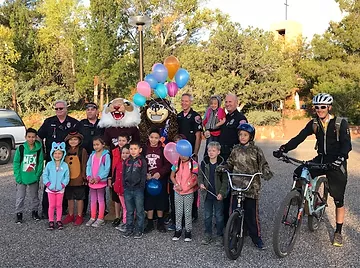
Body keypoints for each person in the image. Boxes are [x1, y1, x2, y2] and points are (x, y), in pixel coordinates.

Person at [274, 93, 352, 247]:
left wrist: (341, 158)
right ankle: (301, 197)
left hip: (336, 162)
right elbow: (299, 137)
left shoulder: (340, 123)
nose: (320, 110)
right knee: (299, 172)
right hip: (321, 158)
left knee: (338, 200)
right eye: (317, 107)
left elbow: (346, 144)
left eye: (323, 107)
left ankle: (338, 232)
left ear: (329, 107)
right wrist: (284, 148)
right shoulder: (314, 123)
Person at [221, 123, 273, 249]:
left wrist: (266, 171)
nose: (242, 137)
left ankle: (256, 237)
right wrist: (224, 167)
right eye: (240, 135)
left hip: (251, 187)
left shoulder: (256, 150)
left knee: (251, 214)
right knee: (234, 210)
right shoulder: (235, 149)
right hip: (237, 186)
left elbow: (264, 164)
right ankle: (234, 234)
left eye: (245, 135)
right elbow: (230, 163)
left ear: (250, 136)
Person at [38, 100, 79, 218]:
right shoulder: (48, 122)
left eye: (61, 108)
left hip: (66, 158)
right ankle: (46, 210)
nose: (58, 111)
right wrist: (42, 151)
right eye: (56, 109)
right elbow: (39, 137)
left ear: (66, 109)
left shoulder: (73, 123)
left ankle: (63, 208)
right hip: (52, 158)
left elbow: (77, 139)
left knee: (64, 181)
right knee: (49, 183)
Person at [218, 93, 247, 224]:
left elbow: (244, 140)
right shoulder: (225, 117)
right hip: (223, 157)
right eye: (226, 102)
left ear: (236, 102)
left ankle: (235, 220)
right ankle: (224, 220)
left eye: (230, 102)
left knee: (234, 190)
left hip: (234, 159)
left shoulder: (240, 118)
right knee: (224, 188)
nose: (228, 104)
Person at [177, 93, 203, 221]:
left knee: (192, 183)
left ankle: (193, 212)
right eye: (182, 101)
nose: (184, 103)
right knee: (181, 180)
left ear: (190, 102)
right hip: (181, 155)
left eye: (186, 101)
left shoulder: (196, 116)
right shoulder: (178, 116)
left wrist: (196, 153)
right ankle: (180, 212)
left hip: (191, 155)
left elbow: (198, 136)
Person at [198, 142, 227, 246]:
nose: (211, 152)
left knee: (219, 216)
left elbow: (225, 181)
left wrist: (222, 193)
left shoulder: (222, 165)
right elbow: (200, 176)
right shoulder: (204, 163)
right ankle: (207, 234)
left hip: (218, 195)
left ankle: (219, 235)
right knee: (207, 216)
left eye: (213, 150)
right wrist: (201, 184)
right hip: (207, 195)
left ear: (218, 152)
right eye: (209, 150)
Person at [143, 129, 171, 233]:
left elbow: (168, 164)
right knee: (149, 200)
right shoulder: (144, 149)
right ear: (148, 137)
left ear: (160, 138)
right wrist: (145, 173)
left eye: (156, 138)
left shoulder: (163, 149)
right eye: (151, 137)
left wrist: (160, 173)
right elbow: (141, 162)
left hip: (160, 179)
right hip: (148, 179)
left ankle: (160, 222)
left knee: (160, 201)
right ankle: (150, 222)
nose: (153, 140)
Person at [13, 128, 44, 224]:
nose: (31, 139)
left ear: (36, 137)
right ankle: (19, 213)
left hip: (33, 176)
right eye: (29, 137)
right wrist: (18, 177)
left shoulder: (39, 149)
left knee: (34, 196)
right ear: (25, 137)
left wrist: (37, 175)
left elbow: (40, 163)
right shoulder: (21, 148)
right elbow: (16, 162)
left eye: (33, 137)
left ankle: (35, 212)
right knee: (20, 196)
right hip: (22, 177)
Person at [79, 102, 104, 216]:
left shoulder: (102, 124)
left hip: (99, 157)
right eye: (88, 109)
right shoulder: (81, 124)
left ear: (97, 112)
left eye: (92, 109)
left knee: (99, 184)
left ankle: (101, 210)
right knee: (85, 183)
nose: (90, 111)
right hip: (85, 157)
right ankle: (83, 210)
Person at [170, 151, 199, 242]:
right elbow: (172, 176)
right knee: (178, 211)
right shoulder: (176, 162)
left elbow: (196, 179)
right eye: (181, 154)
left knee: (187, 212)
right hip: (178, 191)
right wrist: (176, 185)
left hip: (189, 192)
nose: (182, 156)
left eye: (185, 154)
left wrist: (189, 187)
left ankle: (188, 231)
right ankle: (178, 230)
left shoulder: (194, 164)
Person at [122, 141, 147, 239]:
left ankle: (139, 229)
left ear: (139, 150)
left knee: (140, 211)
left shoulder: (142, 161)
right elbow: (123, 173)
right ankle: (129, 228)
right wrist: (124, 185)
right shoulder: (126, 161)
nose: (133, 151)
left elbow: (143, 175)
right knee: (129, 211)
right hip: (127, 189)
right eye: (131, 149)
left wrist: (141, 186)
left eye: (135, 149)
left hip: (138, 190)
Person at [62, 132, 88, 226]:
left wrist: (84, 177)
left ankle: (80, 215)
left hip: (79, 178)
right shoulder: (65, 150)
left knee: (80, 198)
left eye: (75, 139)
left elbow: (84, 164)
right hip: (68, 178)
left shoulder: (82, 151)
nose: (73, 141)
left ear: (79, 140)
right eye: (71, 140)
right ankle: (70, 215)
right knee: (70, 198)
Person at [42, 142, 70, 230]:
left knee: (59, 205)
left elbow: (67, 176)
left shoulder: (65, 165)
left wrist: (63, 184)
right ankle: (51, 221)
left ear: (63, 154)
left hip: (60, 189)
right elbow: (45, 175)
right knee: (51, 205)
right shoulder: (49, 164)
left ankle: (58, 220)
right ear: (52, 154)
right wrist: (48, 184)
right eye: (55, 153)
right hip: (50, 189)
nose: (57, 155)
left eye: (59, 153)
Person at [85, 137, 111, 228]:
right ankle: (92, 217)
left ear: (103, 144)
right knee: (92, 200)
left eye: (97, 144)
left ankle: (100, 218)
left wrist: (99, 178)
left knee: (101, 200)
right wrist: (89, 176)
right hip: (92, 181)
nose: (95, 147)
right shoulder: (92, 155)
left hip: (100, 181)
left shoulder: (106, 155)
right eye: (94, 145)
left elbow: (107, 168)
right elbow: (88, 165)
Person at [167, 134, 187, 231]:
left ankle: (185, 223)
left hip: (185, 184)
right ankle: (175, 222)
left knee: (185, 204)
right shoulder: (172, 157)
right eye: (175, 144)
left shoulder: (187, 158)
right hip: (174, 182)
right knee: (173, 202)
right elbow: (171, 174)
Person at [109, 134, 129, 227]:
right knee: (116, 199)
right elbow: (112, 166)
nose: (121, 142)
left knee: (126, 204)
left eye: (123, 140)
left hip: (125, 182)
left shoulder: (129, 152)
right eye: (119, 140)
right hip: (116, 178)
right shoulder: (114, 151)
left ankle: (127, 220)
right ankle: (117, 216)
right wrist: (111, 178)